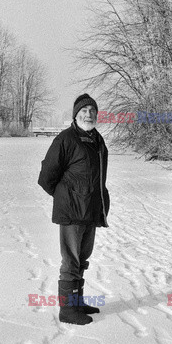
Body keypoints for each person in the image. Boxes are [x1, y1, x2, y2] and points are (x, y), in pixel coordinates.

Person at [38, 93, 110, 325]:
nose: (88, 115)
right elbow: (46, 176)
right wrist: (66, 197)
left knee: (82, 257)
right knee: (70, 260)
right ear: (75, 115)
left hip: (91, 208)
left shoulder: (97, 139)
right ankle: (67, 311)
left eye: (92, 111)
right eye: (83, 111)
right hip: (72, 211)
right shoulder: (66, 139)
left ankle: (77, 302)